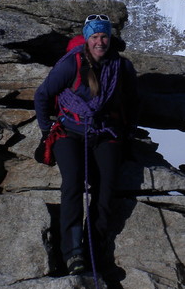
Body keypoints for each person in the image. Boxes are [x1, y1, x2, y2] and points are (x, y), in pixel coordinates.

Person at [34, 14, 138, 275]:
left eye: (104, 36)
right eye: (95, 36)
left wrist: (128, 132)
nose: (100, 42)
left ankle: (94, 249)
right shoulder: (72, 64)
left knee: (105, 190)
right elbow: (43, 94)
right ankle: (73, 253)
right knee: (73, 184)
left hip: (105, 131)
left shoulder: (121, 67)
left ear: (110, 39)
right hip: (69, 131)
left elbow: (133, 101)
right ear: (87, 39)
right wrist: (46, 130)